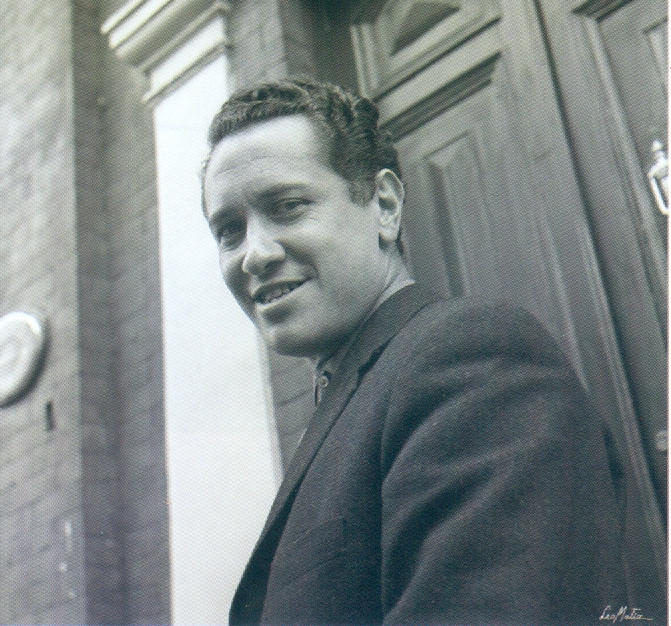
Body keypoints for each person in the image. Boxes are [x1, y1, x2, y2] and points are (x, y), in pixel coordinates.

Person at [202, 78, 627, 625]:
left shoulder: (468, 354)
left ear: (384, 205)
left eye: (287, 207)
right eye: (229, 231)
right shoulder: (359, 395)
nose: (254, 254)